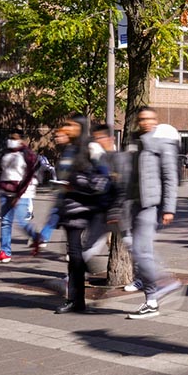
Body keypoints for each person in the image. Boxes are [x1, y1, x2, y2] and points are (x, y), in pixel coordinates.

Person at [54, 115, 115, 314]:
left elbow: (104, 176)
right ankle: (76, 300)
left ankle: (77, 299)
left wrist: (76, 183)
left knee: (76, 255)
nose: (66, 128)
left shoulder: (91, 147)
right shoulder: (70, 149)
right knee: (74, 255)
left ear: (80, 127)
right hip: (70, 208)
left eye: (69, 125)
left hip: (88, 208)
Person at [124, 107, 181, 319]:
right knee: (137, 249)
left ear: (156, 121)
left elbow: (170, 177)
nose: (146, 122)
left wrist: (169, 208)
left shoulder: (161, 144)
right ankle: (160, 287)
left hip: (150, 205)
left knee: (141, 251)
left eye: (149, 119)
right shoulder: (136, 142)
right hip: (134, 204)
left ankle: (154, 297)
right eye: (142, 119)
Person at [0, 129, 43, 264]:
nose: (11, 141)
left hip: (22, 192)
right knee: (5, 222)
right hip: (5, 191)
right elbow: (2, 171)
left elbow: (29, 175)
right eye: (10, 138)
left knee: (22, 221)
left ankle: (36, 237)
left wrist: (18, 195)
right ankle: (4, 252)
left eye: (14, 138)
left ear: (21, 139)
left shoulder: (27, 154)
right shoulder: (6, 153)